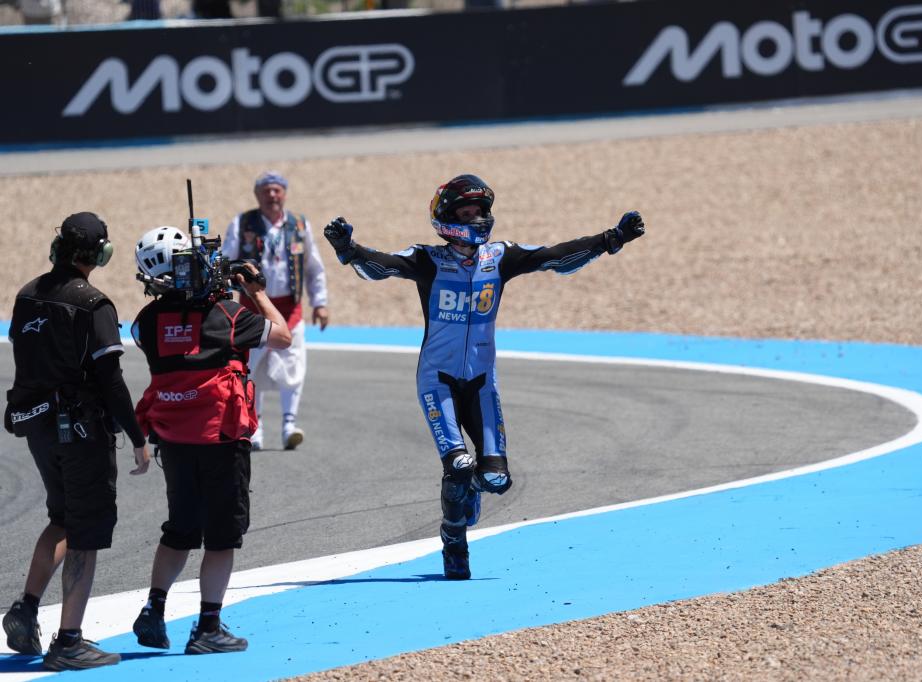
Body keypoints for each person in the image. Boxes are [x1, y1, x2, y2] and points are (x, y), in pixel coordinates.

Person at [322, 174, 645, 579]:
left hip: (481, 381)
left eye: (479, 211)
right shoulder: (427, 259)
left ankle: (471, 490)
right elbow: (381, 267)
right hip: (437, 380)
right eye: (466, 213)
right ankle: (453, 538)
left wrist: (611, 239)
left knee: (496, 478)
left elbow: (556, 257)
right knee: (458, 465)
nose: (475, 218)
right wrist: (348, 250)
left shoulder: (501, 256)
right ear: (446, 218)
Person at [129, 224, 292, 654]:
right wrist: (256, 292)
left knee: (179, 529)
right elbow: (282, 336)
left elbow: (177, 336)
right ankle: (208, 627)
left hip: (173, 439)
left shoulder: (145, 323)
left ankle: (154, 608)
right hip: (221, 437)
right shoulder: (228, 316)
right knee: (221, 537)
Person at [2, 212, 150, 672]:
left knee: (62, 517)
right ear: (101, 253)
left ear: (58, 247)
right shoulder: (93, 304)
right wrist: (137, 436)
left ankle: (27, 607)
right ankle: (68, 641)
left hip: (39, 427)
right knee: (85, 531)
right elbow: (112, 381)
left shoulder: (27, 294)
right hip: (81, 431)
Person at [222, 171, 329, 451]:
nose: (272, 195)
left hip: (290, 309)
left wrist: (320, 302)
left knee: (294, 365)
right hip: (253, 308)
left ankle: (289, 425)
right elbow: (225, 261)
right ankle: (254, 427)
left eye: (277, 190)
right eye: (266, 190)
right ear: (257, 195)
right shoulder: (242, 223)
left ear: (284, 193)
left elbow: (314, 267)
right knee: (251, 367)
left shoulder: (300, 225)